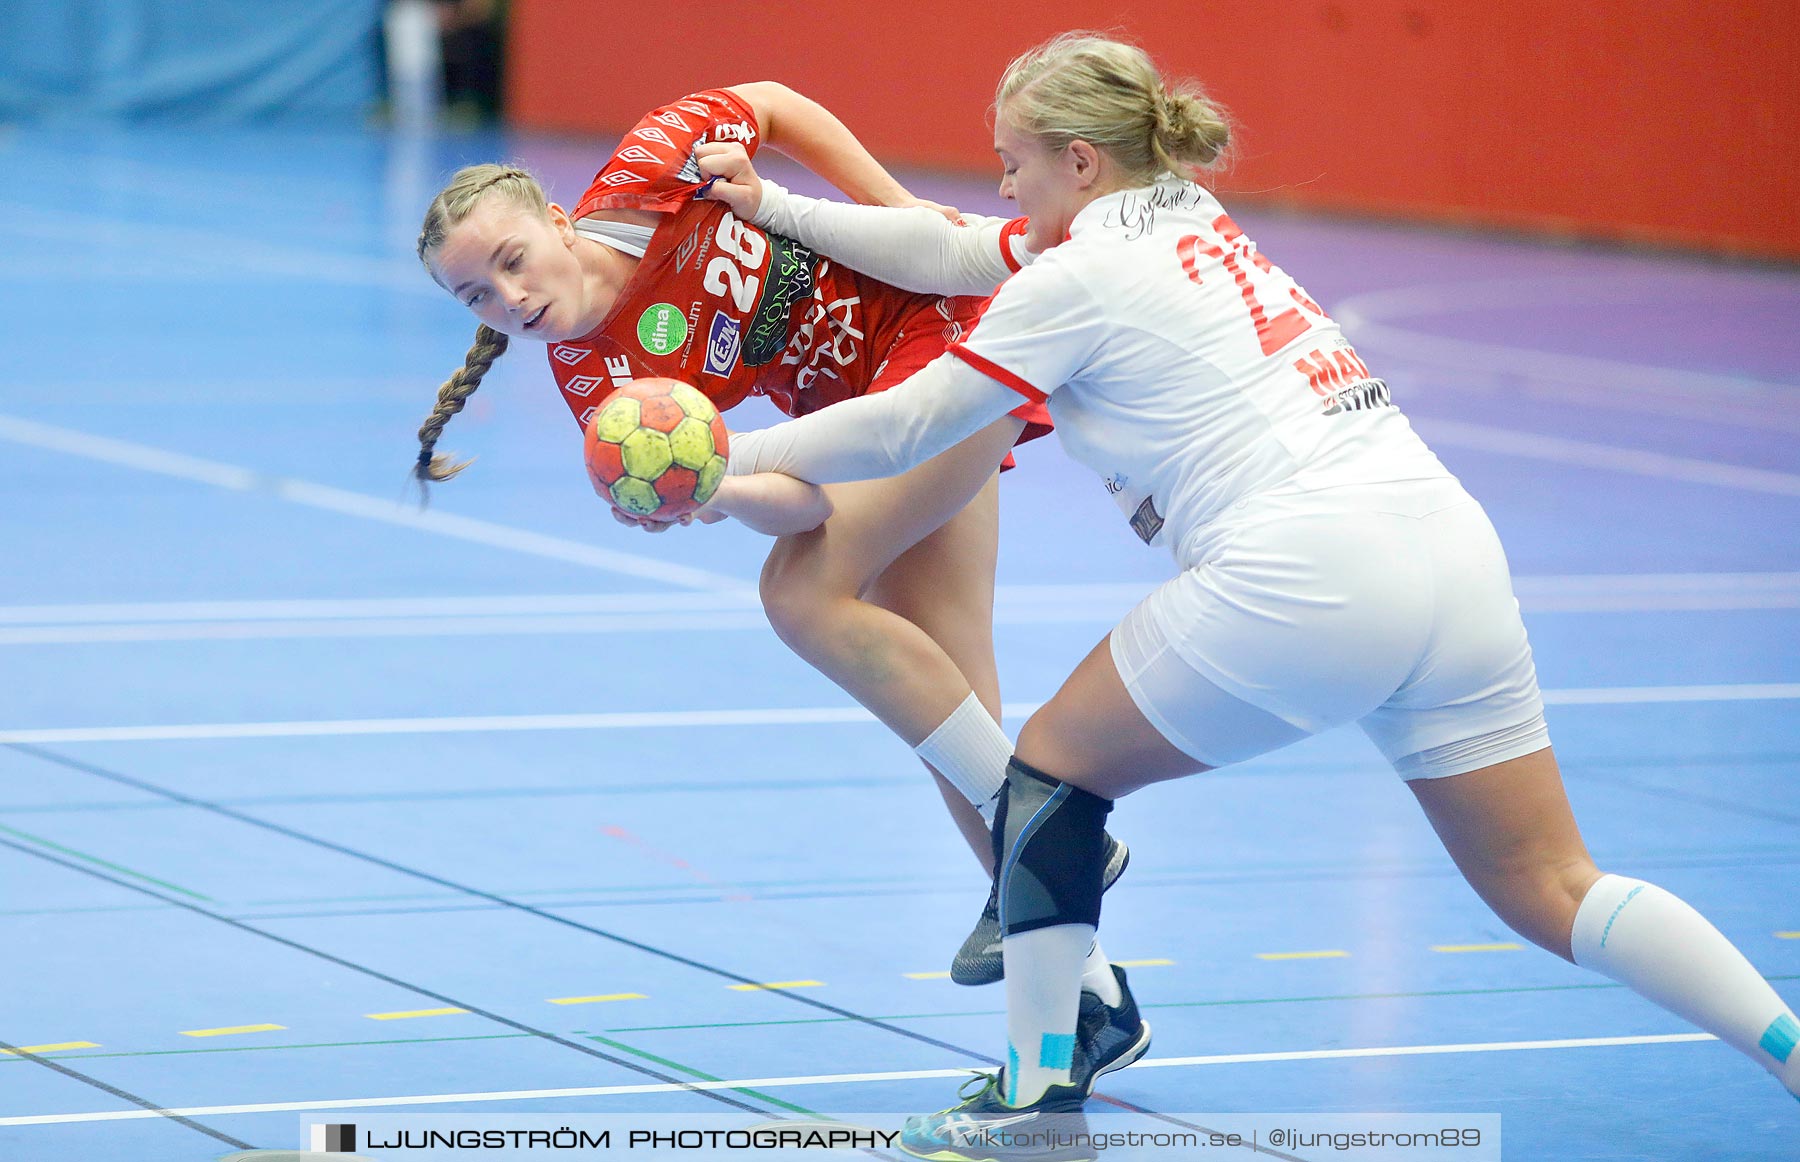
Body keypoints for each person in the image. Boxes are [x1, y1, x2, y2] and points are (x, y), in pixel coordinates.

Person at [687, 33, 1800, 1159]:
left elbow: (912, 421)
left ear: (1079, 161)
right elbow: (949, 243)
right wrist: (777, 206)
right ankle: (1790, 1050)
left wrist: (725, 455)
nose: (1003, 182)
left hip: (1310, 566)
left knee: (1047, 777)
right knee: (1553, 882)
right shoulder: (1177, 216)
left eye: (1013, 158)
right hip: (1447, 545)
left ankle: (1036, 1092)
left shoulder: (1079, 275)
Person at [410, 81, 1131, 991]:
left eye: (514, 260)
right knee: (952, 713)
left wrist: (902, 216)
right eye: (476, 295)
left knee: (796, 596)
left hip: (942, 327)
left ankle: (1043, 831)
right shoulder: (604, 390)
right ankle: (1088, 999)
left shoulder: (644, 176)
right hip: (860, 419)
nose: (509, 297)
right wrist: (714, 484)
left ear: (558, 221)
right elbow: (806, 506)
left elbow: (776, 104)